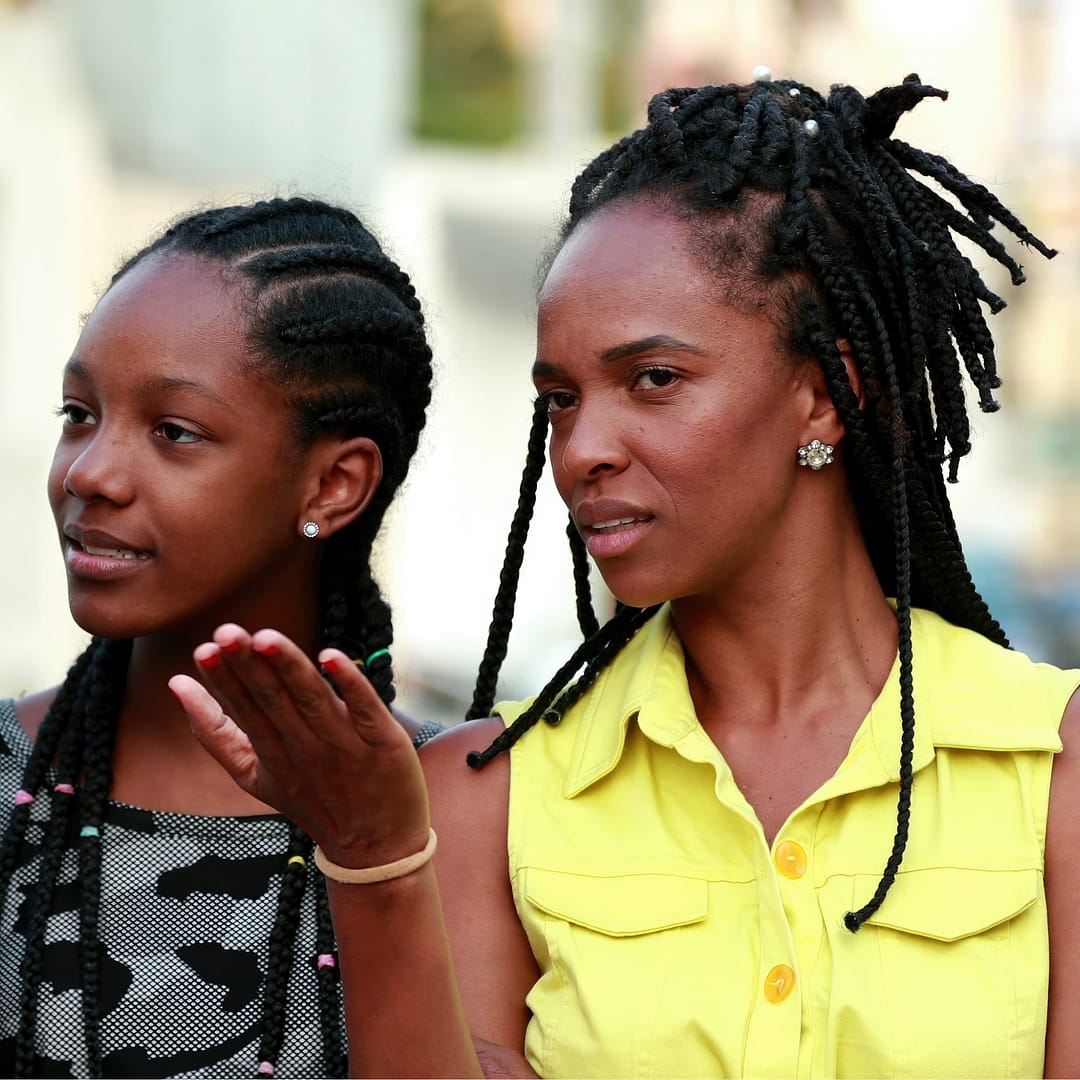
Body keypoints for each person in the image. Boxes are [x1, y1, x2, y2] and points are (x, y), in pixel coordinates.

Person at [175, 73, 1080, 1078]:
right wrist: (375, 849)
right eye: (560, 399)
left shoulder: (1058, 766)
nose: (584, 450)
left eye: (653, 380)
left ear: (825, 397)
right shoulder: (483, 799)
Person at [0, 195, 441, 1078]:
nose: (90, 472)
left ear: (333, 486)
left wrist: (378, 859)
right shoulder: (13, 777)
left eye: (174, 432)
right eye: (78, 414)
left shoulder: (459, 812)